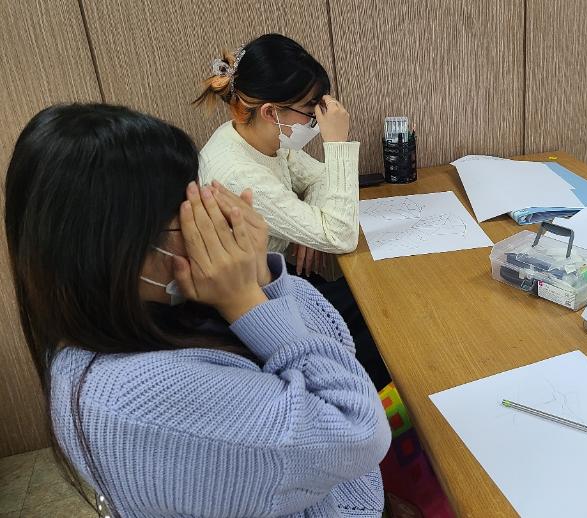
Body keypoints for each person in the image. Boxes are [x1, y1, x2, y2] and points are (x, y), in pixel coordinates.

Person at [5, 103, 390, 517]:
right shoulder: (137, 399)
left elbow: (334, 337)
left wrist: (259, 275)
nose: (207, 223)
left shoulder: (147, 309)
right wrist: (246, 299)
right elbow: (359, 431)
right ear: (112, 251)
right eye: (185, 214)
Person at [194, 33, 391, 388]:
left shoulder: (253, 135)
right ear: (271, 112)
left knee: (377, 296)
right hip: (258, 312)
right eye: (311, 111)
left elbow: (319, 179)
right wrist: (336, 142)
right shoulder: (239, 174)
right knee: (380, 316)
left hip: (280, 283)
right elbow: (340, 235)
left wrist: (304, 225)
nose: (317, 120)